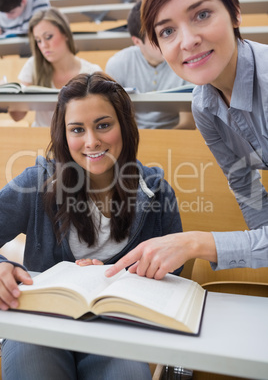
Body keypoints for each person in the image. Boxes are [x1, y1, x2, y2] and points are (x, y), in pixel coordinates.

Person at [0, 71, 183, 379]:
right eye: (77, 129)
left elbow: (173, 270)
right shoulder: (37, 183)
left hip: (115, 328)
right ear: (63, 134)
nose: (91, 141)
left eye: (103, 125)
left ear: (124, 125)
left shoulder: (157, 190)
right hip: (39, 322)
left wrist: (119, 277)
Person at [105, 0, 268, 280]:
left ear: (234, 12)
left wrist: (199, 243)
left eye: (202, 14)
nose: (188, 40)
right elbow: (246, 187)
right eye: (167, 31)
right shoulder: (203, 104)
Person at [105, 0, 196, 130]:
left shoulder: (186, 60)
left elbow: (188, 123)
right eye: (154, 37)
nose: (166, 42)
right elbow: (115, 118)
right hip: (134, 135)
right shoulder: (118, 64)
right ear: (137, 41)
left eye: (167, 32)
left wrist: (159, 143)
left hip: (175, 136)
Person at [9, 7, 101, 126]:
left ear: (65, 34)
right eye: (38, 40)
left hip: (76, 139)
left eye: (48, 37)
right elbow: (17, 116)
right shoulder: (33, 65)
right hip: (42, 137)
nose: (44, 45)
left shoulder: (92, 72)